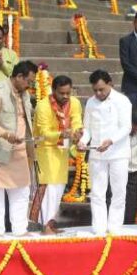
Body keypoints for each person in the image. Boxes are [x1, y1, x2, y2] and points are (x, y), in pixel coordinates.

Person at [0, 60, 37, 236]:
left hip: (19, 150)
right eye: (28, 81)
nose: (30, 85)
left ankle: (20, 229)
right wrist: (5, 134)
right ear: (19, 76)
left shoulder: (24, 93)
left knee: (21, 189)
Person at [78, 70, 133, 235]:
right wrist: (83, 141)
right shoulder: (90, 102)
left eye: (101, 89)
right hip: (97, 152)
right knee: (97, 191)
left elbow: (126, 127)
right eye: (95, 90)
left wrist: (111, 141)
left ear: (110, 84)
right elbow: (87, 128)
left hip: (118, 152)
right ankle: (99, 228)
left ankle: (115, 227)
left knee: (118, 191)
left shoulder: (122, 101)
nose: (98, 93)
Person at [32, 75, 83, 235]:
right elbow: (45, 132)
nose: (66, 96)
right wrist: (63, 134)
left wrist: (77, 132)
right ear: (53, 91)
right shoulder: (43, 106)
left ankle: (51, 223)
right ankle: (45, 226)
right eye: (62, 93)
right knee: (48, 188)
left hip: (62, 150)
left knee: (59, 187)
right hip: (45, 149)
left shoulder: (74, 103)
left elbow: (76, 121)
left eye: (68, 93)